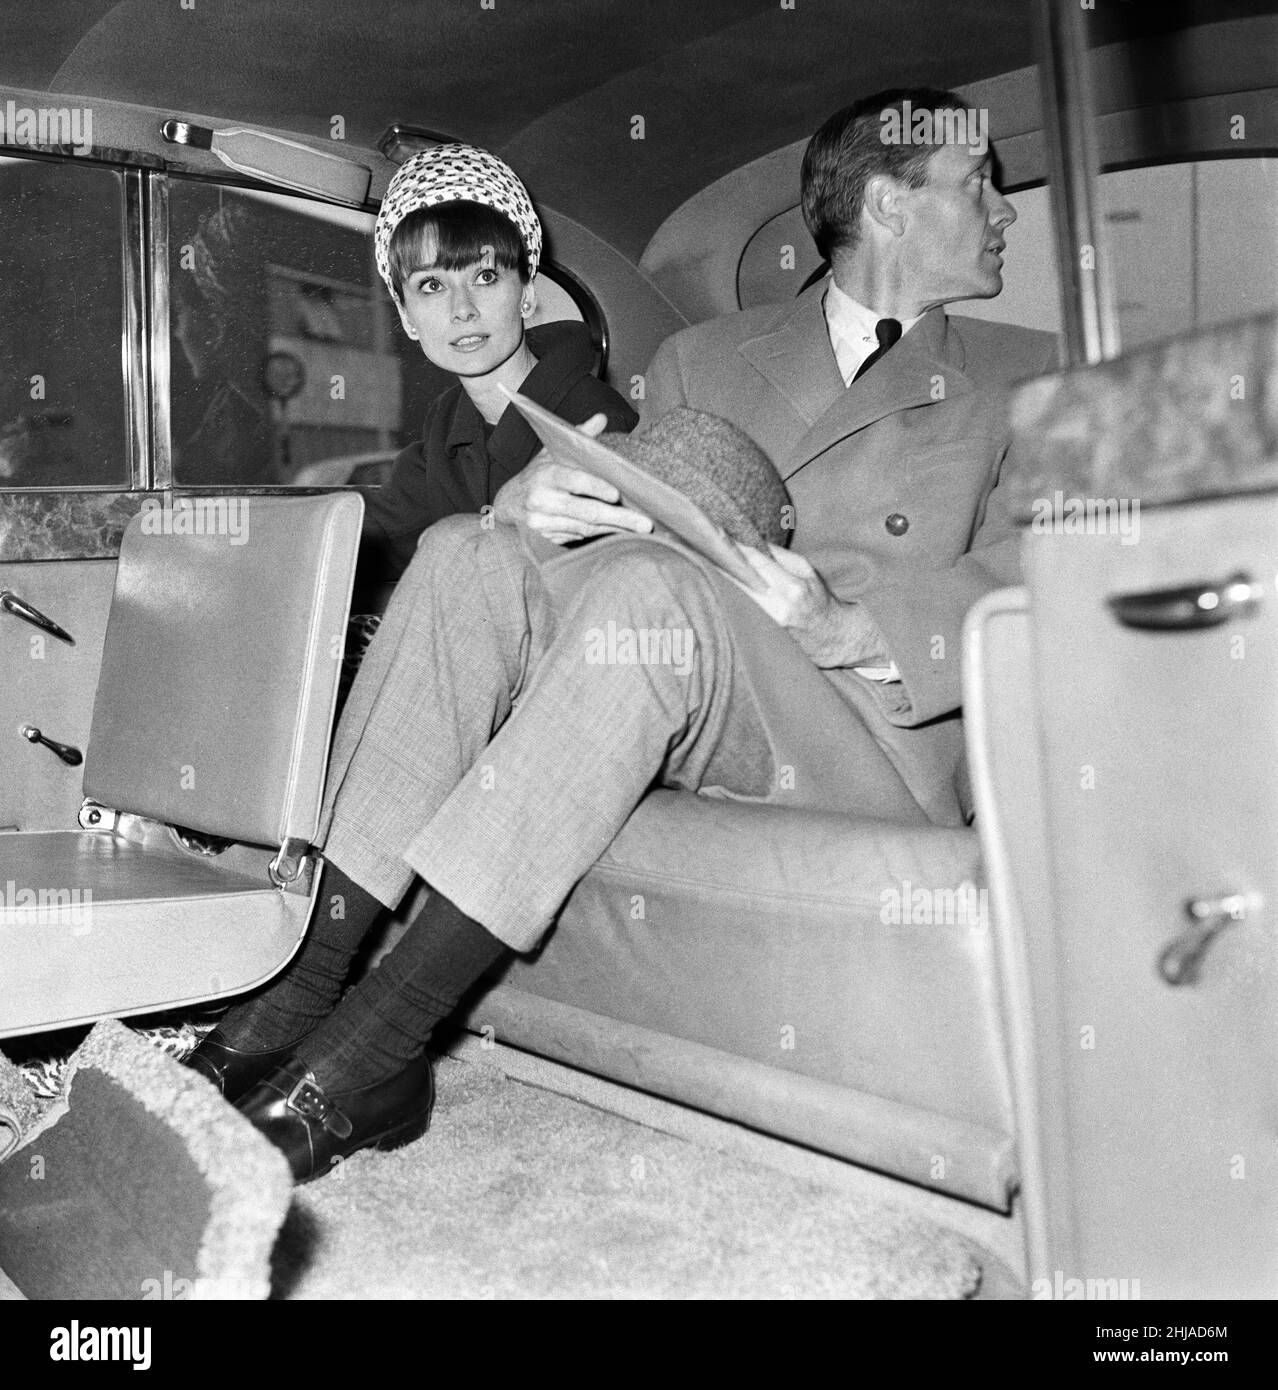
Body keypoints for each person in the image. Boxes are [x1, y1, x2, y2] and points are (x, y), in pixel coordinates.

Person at [189, 87, 1058, 1183]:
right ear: (887, 202)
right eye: (977, 181)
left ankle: (373, 1047)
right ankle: (304, 991)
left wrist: (853, 624)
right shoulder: (704, 357)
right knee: (467, 545)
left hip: (863, 733)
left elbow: (1054, 575)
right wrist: (533, 516)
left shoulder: (1036, 375)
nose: (1005, 210)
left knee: (649, 598)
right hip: (694, 681)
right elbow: (628, 540)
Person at [359, 143, 637, 579]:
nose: (462, 309)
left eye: (485, 277)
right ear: (407, 317)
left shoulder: (594, 420)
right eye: (432, 285)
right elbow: (378, 529)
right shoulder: (447, 421)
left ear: (526, 295)